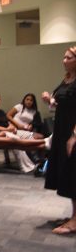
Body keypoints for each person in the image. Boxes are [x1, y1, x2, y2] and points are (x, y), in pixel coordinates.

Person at [41, 45, 76, 234]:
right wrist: (50, 101)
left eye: (69, 57)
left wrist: (74, 136)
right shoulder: (67, 79)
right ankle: (74, 215)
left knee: (74, 173)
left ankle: (75, 220)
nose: (64, 60)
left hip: (72, 132)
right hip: (62, 130)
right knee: (69, 172)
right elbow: (61, 103)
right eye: (64, 57)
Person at [0, 93, 43, 172]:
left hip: (9, 131)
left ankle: (37, 160)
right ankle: (27, 167)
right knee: (17, 141)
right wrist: (6, 129)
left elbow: (7, 122)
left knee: (33, 136)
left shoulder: (1, 112)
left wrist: (11, 127)